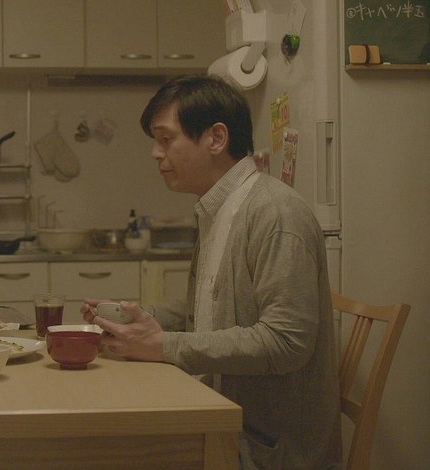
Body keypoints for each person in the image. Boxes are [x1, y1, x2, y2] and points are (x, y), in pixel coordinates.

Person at [82, 74, 342, 469]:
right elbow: (206, 314)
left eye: (165, 139)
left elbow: (286, 342)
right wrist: (130, 317)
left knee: (104, 450)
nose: (155, 153)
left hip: (267, 449)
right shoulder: (219, 208)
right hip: (226, 420)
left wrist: (164, 345)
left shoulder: (275, 212)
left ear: (216, 139)